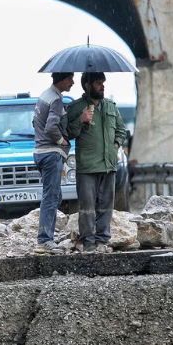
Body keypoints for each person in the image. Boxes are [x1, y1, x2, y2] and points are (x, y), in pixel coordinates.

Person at [67, 72, 128, 254]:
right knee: (87, 206)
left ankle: (103, 240)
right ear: (87, 85)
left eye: (103, 83)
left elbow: (121, 129)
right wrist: (81, 119)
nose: (102, 86)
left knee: (106, 205)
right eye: (98, 83)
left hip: (108, 164)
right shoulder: (76, 107)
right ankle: (88, 242)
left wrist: (115, 144)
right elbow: (68, 132)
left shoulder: (110, 106)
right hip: (87, 165)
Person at [32, 72, 75, 253]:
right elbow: (51, 127)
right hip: (51, 153)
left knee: (55, 196)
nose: (73, 82)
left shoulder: (44, 96)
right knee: (51, 197)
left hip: (40, 153)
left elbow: (35, 122)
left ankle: (47, 234)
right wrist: (61, 141)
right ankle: (44, 241)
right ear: (62, 79)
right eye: (70, 78)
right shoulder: (56, 100)